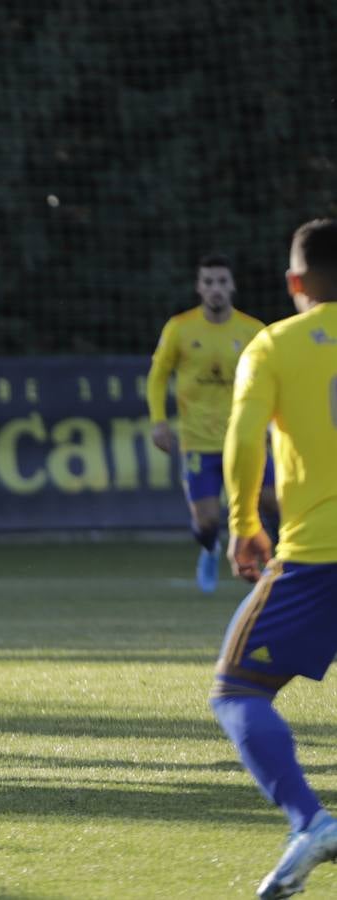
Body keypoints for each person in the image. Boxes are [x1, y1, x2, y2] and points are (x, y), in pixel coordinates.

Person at [211, 219, 337, 898]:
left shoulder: (274, 345)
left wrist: (242, 525)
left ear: (295, 282)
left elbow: (242, 441)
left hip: (319, 557)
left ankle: (310, 822)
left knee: (237, 691)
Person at [148, 253, 278, 593]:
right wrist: (159, 422)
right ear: (199, 287)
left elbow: (276, 379)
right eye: (209, 282)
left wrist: (273, 424)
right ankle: (210, 548)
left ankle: (279, 567)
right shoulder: (180, 328)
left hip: (245, 438)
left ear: (232, 286)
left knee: (271, 500)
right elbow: (158, 377)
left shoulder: (253, 330)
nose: (216, 289)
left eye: (222, 281)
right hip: (198, 441)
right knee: (206, 521)